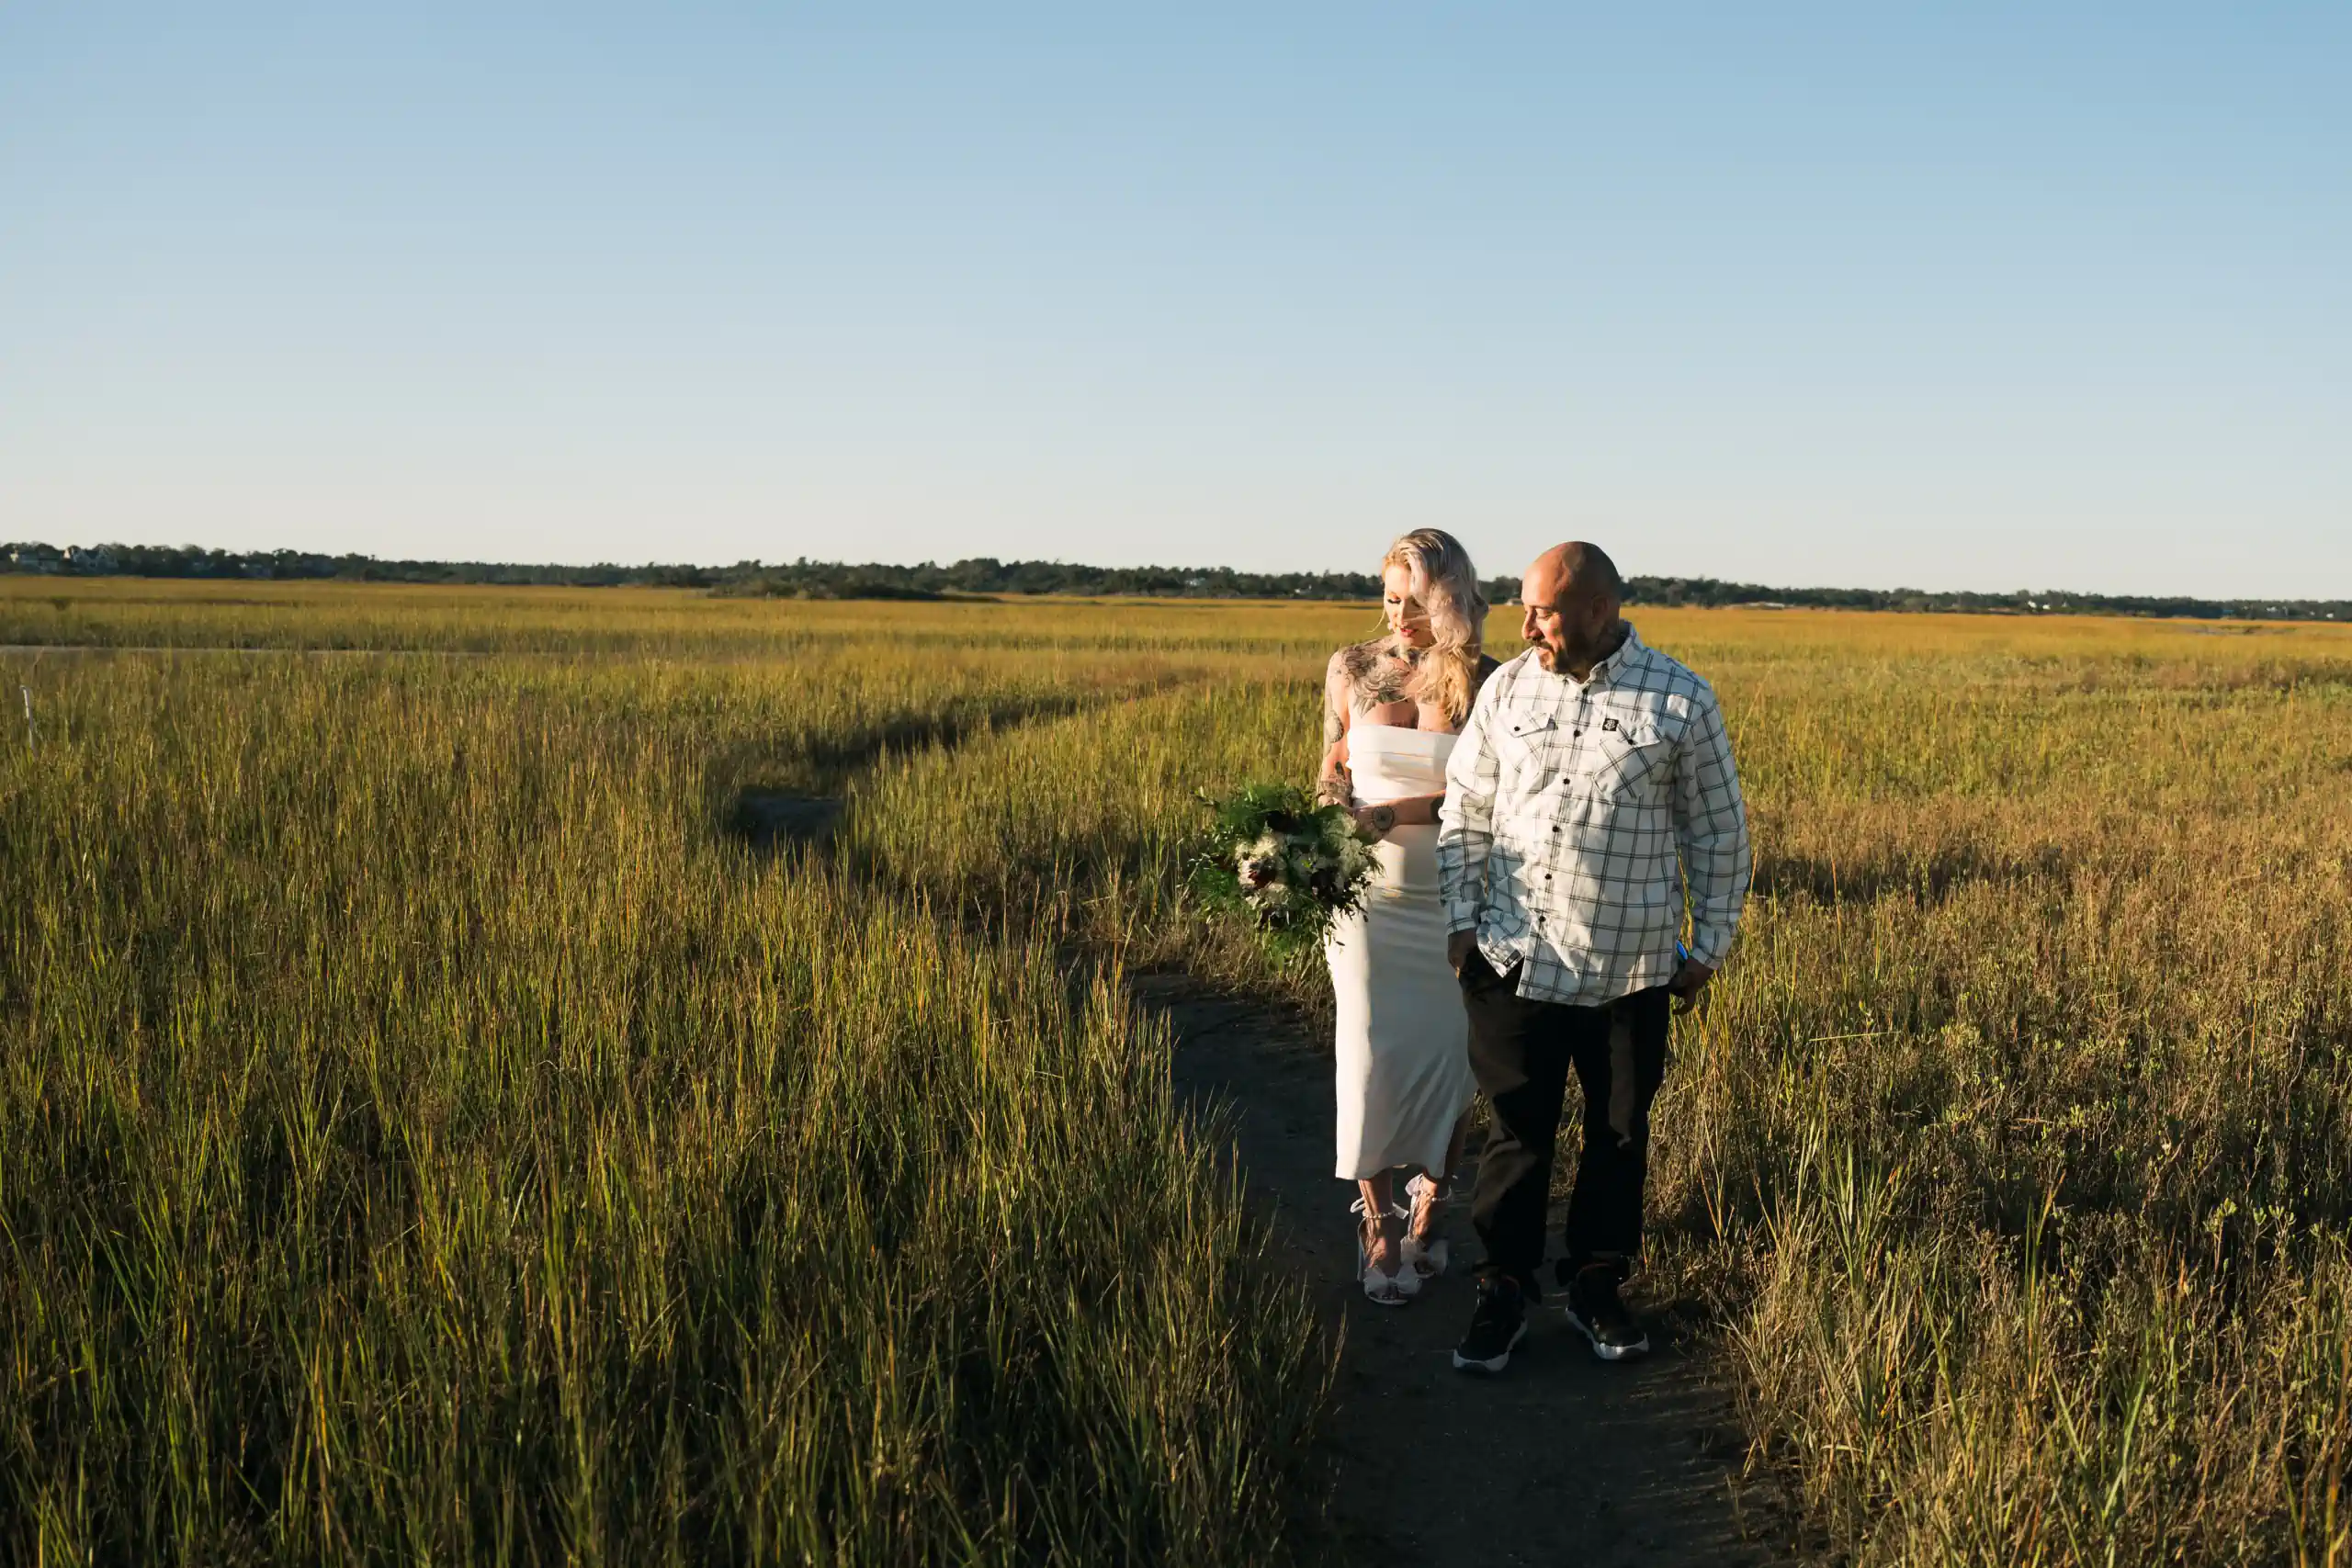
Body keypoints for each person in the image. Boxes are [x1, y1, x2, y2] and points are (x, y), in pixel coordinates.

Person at [1436, 541, 1750, 1370]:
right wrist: (1462, 924)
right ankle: (1501, 1290)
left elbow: (1719, 832)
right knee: (1515, 1133)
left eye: (1542, 608)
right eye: (1525, 605)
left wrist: (1709, 943)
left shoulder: (1680, 701)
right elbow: (1465, 809)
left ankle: (1596, 1285)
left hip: (1629, 968)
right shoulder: (1507, 689)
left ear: (1600, 611)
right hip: (1513, 958)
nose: (1525, 622)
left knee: (1617, 1134)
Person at [1318, 529, 1499, 1305]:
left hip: (1455, 895)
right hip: (1364, 897)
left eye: (1415, 601)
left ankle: (1433, 1196)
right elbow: (1327, 769)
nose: (1399, 617)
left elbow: (1492, 794)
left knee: (1448, 1055)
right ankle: (1378, 1222)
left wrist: (1398, 810)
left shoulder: (1488, 679)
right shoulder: (1350, 667)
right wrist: (1332, 812)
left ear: (1449, 599)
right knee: (1366, 1050)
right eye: (1390, 598)